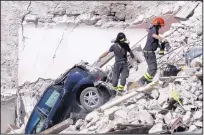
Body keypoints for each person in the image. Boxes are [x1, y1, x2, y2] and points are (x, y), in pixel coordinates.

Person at [136, 17, 169, 86]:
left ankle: (148, 82)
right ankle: (141, 80)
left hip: (149, 52)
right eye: (160, 26)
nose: (160, 27)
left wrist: (161, 46)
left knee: (152, 69)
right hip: (149, 52)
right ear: (158, 24)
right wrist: (162, 38)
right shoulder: (153, 29)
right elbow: (154, 36)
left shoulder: (154, 29)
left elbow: (154, 42)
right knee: (153, 69)